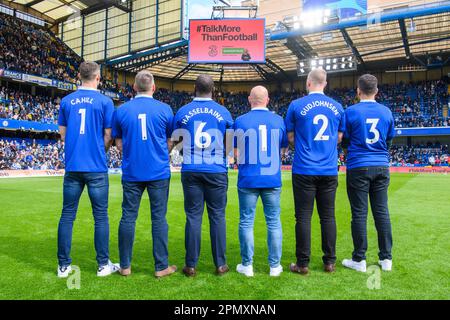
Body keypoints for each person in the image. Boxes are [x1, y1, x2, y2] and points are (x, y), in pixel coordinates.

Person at [112, 71, 177, 278]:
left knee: (128, 217)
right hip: (158, 172)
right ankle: (161, 267)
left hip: (132, 172)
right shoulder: (165, 109)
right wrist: (160, 153)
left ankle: (125, 266)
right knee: (159, 219)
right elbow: (170, 141)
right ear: (154, 88)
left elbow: (119, 144)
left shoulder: (121, 110)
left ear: (134, 88)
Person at [57, 61, 118, 278]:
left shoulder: (66, 101)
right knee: (100, 217)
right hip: (96, 168)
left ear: (79, 76)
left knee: (67, 215)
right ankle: (103, 265)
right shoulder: (105, 101)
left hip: (73, 166)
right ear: (98, 77)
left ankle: (63, 266)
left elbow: (63, 134)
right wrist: (98, 150)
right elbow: (109, 135)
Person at [285, 68, 345, 275]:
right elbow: (339, 138)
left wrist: (303, 146)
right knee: (328, 216)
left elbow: (291, 138)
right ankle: (329, 262)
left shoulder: (296, 105)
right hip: (329, 169)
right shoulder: (337, 107)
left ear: (308, 83)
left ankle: (302, 264)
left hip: (304, 168)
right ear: (325, 84)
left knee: (303, 216)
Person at [172, 75, 233, 277]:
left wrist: (186, 154)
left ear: (194, 89)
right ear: (213, 89)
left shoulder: (183, 111)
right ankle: (221, 264)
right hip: (216, 170)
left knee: (193, 217)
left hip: (191, 169)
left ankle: (190, 265)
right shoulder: (223, 111)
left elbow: (177, 142)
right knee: (217, 216)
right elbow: (230, 143)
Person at [342, 74, 395, 272]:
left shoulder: (350, 111)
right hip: (381, 165)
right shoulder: (386, 111)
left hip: (358, 166)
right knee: (382, 212)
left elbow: (345, 140)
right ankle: (386, 258)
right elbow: (389, 139)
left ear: (358, 90)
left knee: (359, 214)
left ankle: (359, 260)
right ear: (377, 91)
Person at [234, 86, 288, 277]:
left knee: (246, 222)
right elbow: (282, 149)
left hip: (248, 178)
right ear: (268, 99)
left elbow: (236, 153)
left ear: (250, 99)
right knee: (273, 222)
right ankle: (275, 267)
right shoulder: (278, 120)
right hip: (272, 178)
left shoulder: (240, 121)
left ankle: (247, 265)